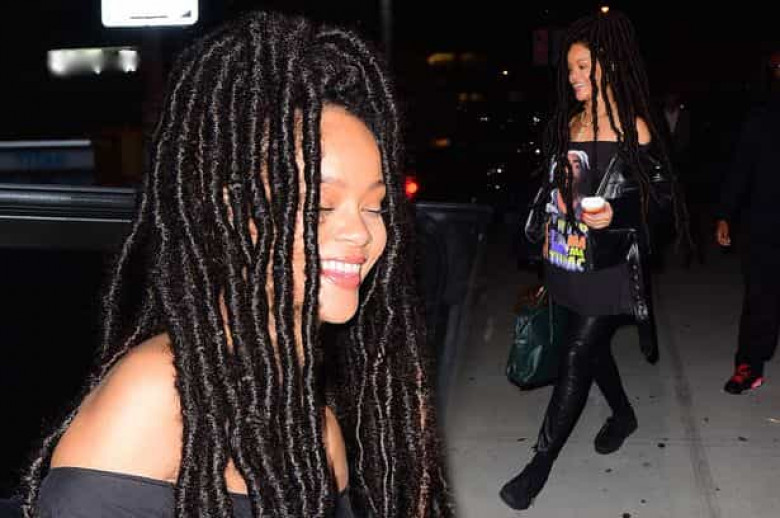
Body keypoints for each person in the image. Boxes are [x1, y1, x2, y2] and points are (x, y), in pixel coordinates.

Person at [19, 10, 452, 518]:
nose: (360, 232)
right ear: (233, 213)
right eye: (320, 206)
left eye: (376, 206)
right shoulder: (157, 395)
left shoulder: (318, 427)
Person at [500, 9, 681, 510]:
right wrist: (545, 228)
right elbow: (555, 189)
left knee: (577, 355)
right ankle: (622, 415)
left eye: (583, 67)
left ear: (609, 67)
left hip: (609, 266)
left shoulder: (633, 128)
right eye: (570, 69)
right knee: (590, 348)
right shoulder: (571, 123)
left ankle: (538, 466)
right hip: (567, 258)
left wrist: (617, 213)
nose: (574, 77)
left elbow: (661, 200)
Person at [716, 51, 780, 395]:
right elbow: (741, 167)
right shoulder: (762, 116)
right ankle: (748, 365)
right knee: (759, 298)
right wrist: (725, 213)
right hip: (764, 223)